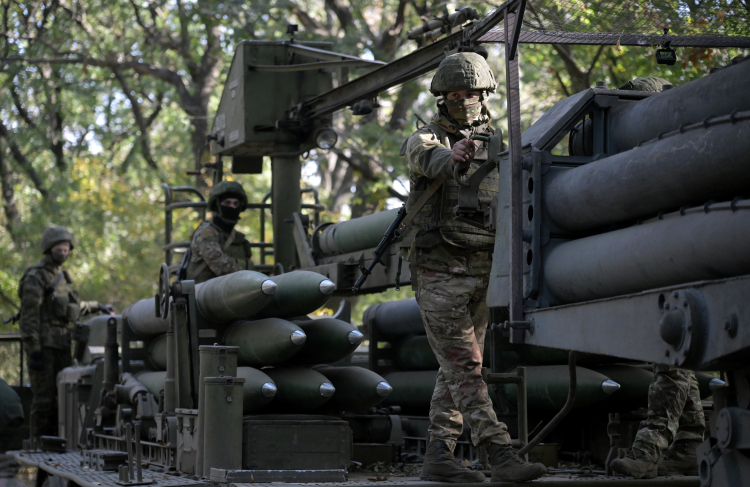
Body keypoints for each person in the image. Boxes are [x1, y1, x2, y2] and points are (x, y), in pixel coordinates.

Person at [399, 52, 546, 483]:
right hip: (439, 269)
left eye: (472, 93)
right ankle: (499, 452)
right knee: (464, 367)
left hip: (483, 268)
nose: (465, 101)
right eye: (456, 95)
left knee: (460, 368)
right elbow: (427, 159)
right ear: (442, 99)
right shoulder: (425, 138)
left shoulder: (501, 141)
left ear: (485, 96)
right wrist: (454, 156)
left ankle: (439, 457)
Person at [610, 76, 705, 479]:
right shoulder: (638, 162)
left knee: (670, 356)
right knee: (671, 356)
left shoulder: (686, 152)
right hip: (653, 262)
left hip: (681, 264)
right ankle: (688, 442)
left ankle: (650, 448)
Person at [18, 226, 109, 439]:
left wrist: (98, 306)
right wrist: (34, 351)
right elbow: (28, 316)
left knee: (65, 398)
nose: (64, 252)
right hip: (44, 348)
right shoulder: (36, 276)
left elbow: (72, 309)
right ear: (49, 249)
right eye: (60, 248)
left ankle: (58, 448)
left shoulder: (63, 277)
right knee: (44, 401)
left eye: (67, 249)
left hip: (62, 346)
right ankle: (38, 448)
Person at [186, 181, 254, 284]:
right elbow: (221, 265)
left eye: (236, 204)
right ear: (217, 205)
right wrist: (251, 278)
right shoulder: (206, 232)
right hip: (204, 296)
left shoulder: (238, 238)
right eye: (227, 203)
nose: (232, 207)